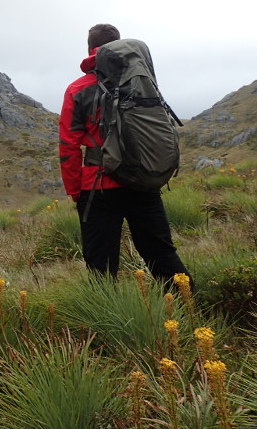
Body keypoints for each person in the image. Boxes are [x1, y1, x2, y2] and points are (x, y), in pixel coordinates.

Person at [58, 23, 192, 285]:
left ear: (89, 49)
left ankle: (107, 321)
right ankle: (191, 309)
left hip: (98, 187)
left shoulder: (77, 90)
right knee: (162, 254)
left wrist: (76, 191)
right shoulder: (142, 83)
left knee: (101, 265)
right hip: (143, 179)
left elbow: (69, 146)